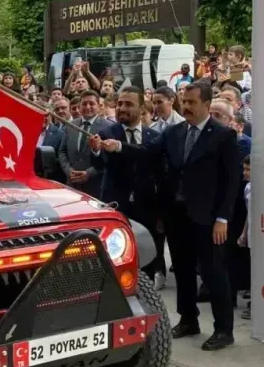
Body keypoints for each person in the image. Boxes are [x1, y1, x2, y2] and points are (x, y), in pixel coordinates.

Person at [100, 82, 239, 351]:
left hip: (208, 218)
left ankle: (224, 329)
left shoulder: (223, 136)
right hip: (177, 215)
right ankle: (188, 319)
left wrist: (223, 218)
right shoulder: (174, 132)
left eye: (192, 102)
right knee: (183, 270)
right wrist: (119, 147)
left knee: (213, 272)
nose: (186, 107)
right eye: (184, 102)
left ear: (207, 104)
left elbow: (231, 181)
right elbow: (147, 153)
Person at [88, 86, 163, 283]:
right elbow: (99, 165)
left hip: (146, 206)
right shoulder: (106, 133)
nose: (122, 108)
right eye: (120, 103)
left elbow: (151, 161)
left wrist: (119, 147)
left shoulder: (154, 137)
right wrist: (96, 150)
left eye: (129, 104)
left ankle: (146, 289)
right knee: (114, 254)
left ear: (142, 108)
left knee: (145, 255)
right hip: (116, 204)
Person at [57, 90, 113, 198]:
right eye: (84, 103)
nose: (87, 107)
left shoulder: (108, 127)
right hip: (72, 186)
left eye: (91, 103)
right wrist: (69, 171)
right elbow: (62, 151)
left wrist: (88, 173)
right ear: (79, 106)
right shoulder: (70, 125)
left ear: (98, 106)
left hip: (96, 187)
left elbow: (110, 158)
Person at [238, 155, 252, 320]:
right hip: (250, 236)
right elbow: (249, 213)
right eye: (244, 169)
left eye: (248, 170)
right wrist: (243, 233)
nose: (245, 173)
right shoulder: (248, 188)